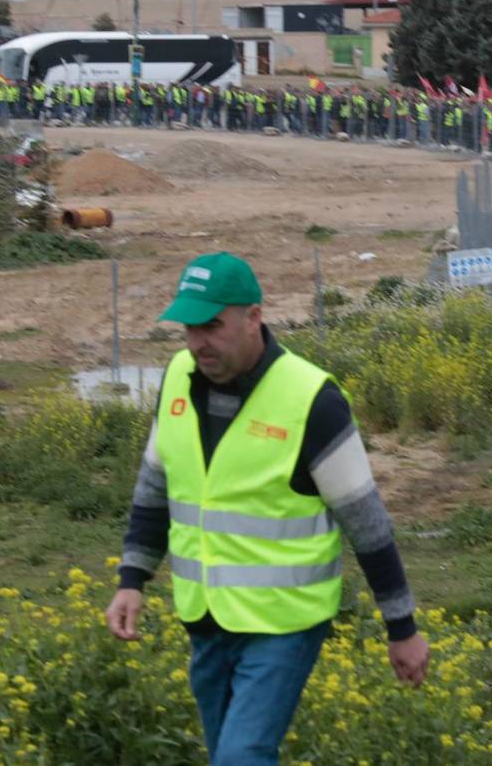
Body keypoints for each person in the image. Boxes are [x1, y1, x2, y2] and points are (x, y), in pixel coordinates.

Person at [106, 253, 429, 766]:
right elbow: (156, 486)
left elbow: (366, 523)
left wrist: (402, 627)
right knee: (227, 755)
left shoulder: (311, 399)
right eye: (189, 328)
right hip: (205, 616)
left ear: (253, 316)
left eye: (211, 326)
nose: (197, 343)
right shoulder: (176, 379)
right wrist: (132, 578)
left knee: (240, 757)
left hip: (285, 623)